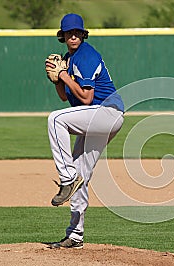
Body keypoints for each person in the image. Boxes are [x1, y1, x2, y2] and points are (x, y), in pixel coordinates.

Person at [45, 13, 124, 249]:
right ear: (63, 36)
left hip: (106, 112)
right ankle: (75, 235)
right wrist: (58, 80)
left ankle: (66, 177)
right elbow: (64, 96)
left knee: (55, 119)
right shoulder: (69, 60)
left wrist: (64, 76)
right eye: (69, 33)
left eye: (77, 32)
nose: (73, 36)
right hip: (97, 117)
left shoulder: (86, 55)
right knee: (82, 176)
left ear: (83, 34)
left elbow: (87, 98)